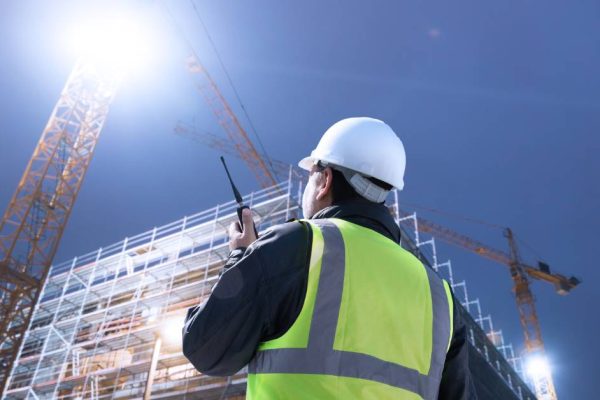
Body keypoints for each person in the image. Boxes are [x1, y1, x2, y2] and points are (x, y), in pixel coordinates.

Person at [182, 117, 473, 399]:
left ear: (325, 181)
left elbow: (205, 348)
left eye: (310, 175)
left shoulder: (297, 245)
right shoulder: (439, 296)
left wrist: (241, 257)